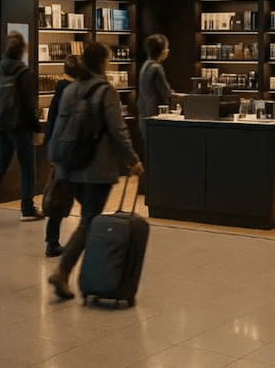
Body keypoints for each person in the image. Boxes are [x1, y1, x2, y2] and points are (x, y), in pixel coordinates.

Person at [48, 42, 144, 300]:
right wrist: (132, 159)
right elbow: (118, 130)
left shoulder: (71, 89)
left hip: (69, 165)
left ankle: (85, 271)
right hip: (96, 167)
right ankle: (63, 271)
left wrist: (55, 159)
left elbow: (59, 126)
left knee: (88, 218)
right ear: (102, 62)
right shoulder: (105, 91)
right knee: (89, 220)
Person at [0, 31, 45, 225]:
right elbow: (29, 104)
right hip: (19, 125)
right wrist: (37, 128)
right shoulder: (25, 72)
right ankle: (27, 208)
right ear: (22, 50)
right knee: (27, 166)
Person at [41, 54, 84, 257]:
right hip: (71, 152)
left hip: (60, 151)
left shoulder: (60, 91)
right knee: (85, 199)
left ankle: (52, 241)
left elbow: (52, 122)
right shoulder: (73, 92)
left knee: (60, 196)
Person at [136, 33, 181, 196]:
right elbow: (166, 93)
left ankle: (144, 186)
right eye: (167, 48)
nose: (168, 51)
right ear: (162, 51)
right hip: (155, 114)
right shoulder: (157, 68)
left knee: (148, 152)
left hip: (143, 113)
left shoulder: (145, 66)